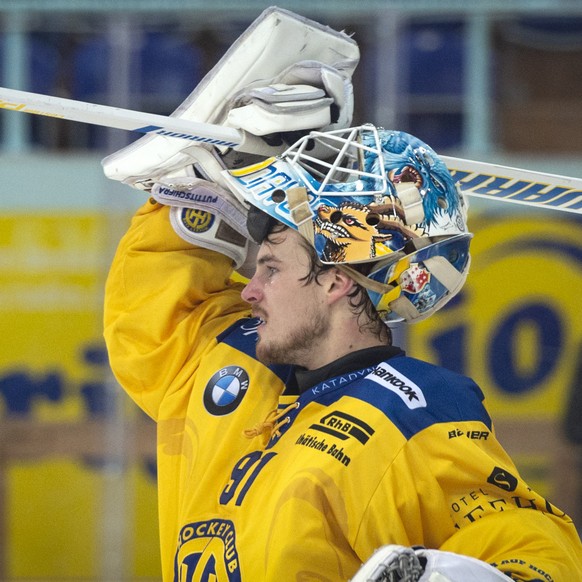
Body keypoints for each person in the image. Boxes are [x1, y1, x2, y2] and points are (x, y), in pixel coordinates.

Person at [104, 124, 582, 581]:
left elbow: (530, 546)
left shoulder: (413, 410)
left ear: (335, 281)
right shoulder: (233, 357)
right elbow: (149, 312)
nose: (249, 291)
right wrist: (217, 171)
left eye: (270, 268)